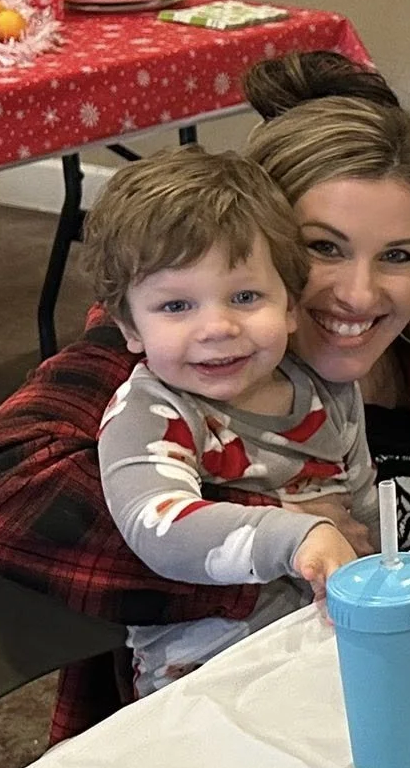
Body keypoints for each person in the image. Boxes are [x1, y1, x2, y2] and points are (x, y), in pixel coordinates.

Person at [0, 52, 410, 739]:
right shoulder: (168, 357)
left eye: (398, 255)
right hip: (215, 718)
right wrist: (280, 526)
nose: (360, 294)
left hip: (383, 685)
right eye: (322, 250)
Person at [87, 147, 366, 695]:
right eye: (176, 307)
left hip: (329, 648)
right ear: (130, 327)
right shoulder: (149, 412)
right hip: (205, 682)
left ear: (290, 303)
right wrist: (298, 533)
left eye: (245, 296)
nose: (217, 326)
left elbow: (358, 508)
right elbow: (159, 527)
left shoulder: (328, 389)